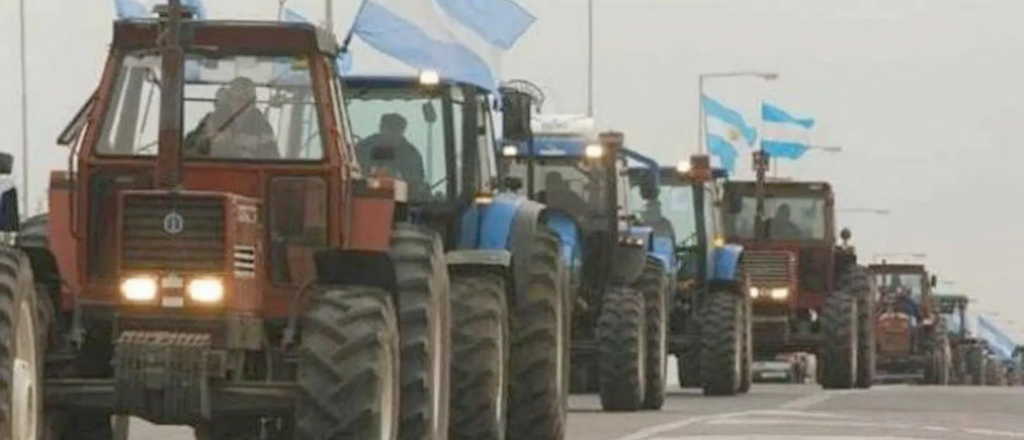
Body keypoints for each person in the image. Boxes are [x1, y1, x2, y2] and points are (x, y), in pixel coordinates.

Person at [186, 77, 279, 159]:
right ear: (229, 99)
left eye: (247, 100)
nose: (242, 104)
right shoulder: (212, 119)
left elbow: (272, 157)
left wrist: (236, 147)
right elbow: (188, 147)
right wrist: (207, 140)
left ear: (253, 102)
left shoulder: (262, 126)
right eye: (237, 98)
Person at [355, 113, 426, 186]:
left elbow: (416, 183)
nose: (392, 135)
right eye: (389, 130)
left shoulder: (410, 155)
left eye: (396, 131)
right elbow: (355, 173)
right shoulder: (365, 148)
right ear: (381, 128)